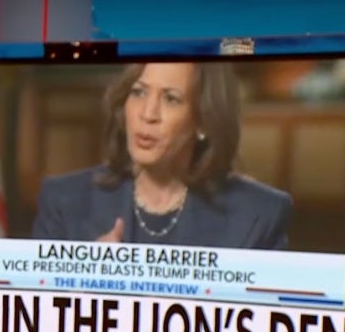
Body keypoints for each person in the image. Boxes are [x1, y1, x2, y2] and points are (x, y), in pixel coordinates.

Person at [31, 61, 293, 249]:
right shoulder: (65, 202)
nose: (148, 114)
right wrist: (81, 280)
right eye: (139, 92)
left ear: (203, 120)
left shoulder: (256, 216)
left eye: (171, 99)